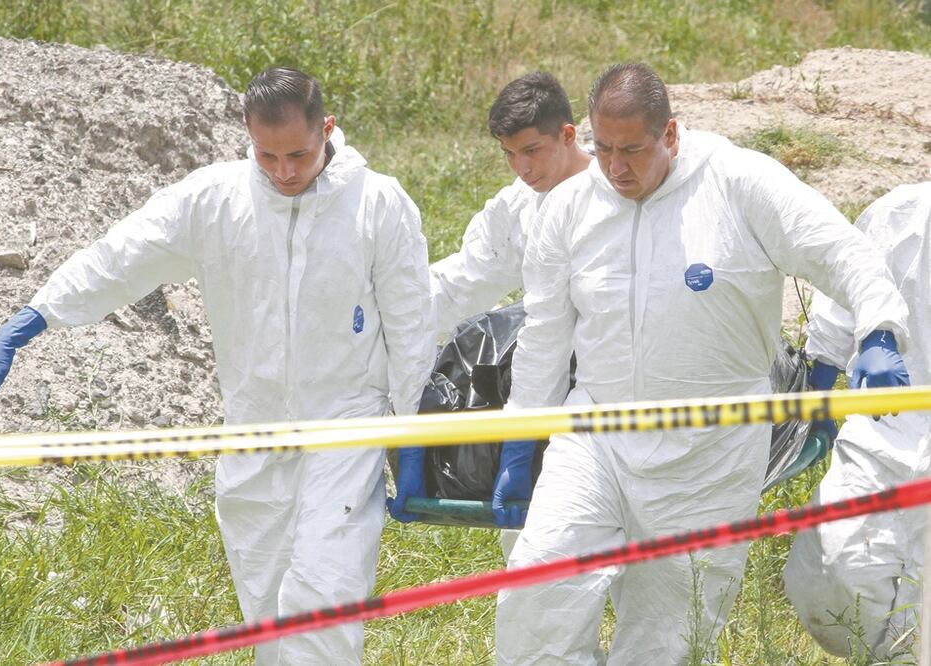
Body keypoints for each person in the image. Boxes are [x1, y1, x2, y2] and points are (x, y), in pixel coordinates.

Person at [0, 67, 436, 665]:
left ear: (329, 130)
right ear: (247, 135)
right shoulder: (214, 199)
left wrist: (415, 437)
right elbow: (120, 257)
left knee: (324, 597)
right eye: (267, 155)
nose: (284, 172)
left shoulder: (378, 205)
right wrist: (30, 319)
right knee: (264, 609)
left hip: (345, 426)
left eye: (298, 154)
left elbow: (412, 323)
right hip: (253, 429)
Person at [494, 63, 911, 665]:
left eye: (632, 149)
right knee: (538, 596)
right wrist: (517, 438)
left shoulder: (739, 184)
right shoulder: (570, 209)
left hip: (710, 453)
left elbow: (840, 252)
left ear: (670, 134)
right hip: (596, 438)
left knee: (671, 635)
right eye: (604, 148)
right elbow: (545, 337)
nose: (615, 168)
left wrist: (878, 329)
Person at [387, 72, 592, 535]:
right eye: (509, 154)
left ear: (567, 134)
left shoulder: (617, 194)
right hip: (543, 386)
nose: (521, 167)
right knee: (532, 558)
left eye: (532, 150)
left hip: (616, 394)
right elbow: (464, 280)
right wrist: (391, 314)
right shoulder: (519, 208)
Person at [784, 181, 930, 660]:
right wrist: (818, 399)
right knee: (829, 570)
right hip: (883, 431)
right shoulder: (900, 215)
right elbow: (841, 307)